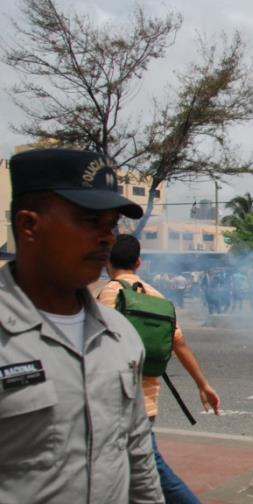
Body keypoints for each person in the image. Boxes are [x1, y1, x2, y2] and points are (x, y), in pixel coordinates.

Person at [0, 148, 162, 502]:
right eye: (89, 221)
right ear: (29, 225)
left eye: (111, 224)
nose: (108, 238)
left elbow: (138, 457)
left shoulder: (121, 335)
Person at [98, 234, 222, 504]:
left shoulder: (108, 293)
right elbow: (180, 344)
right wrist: (203, 385)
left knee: (154, 471)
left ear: (107, 260)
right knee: (132, 472)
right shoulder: (157, 296)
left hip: (117, 401)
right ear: (138, 262)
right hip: (148, 401)